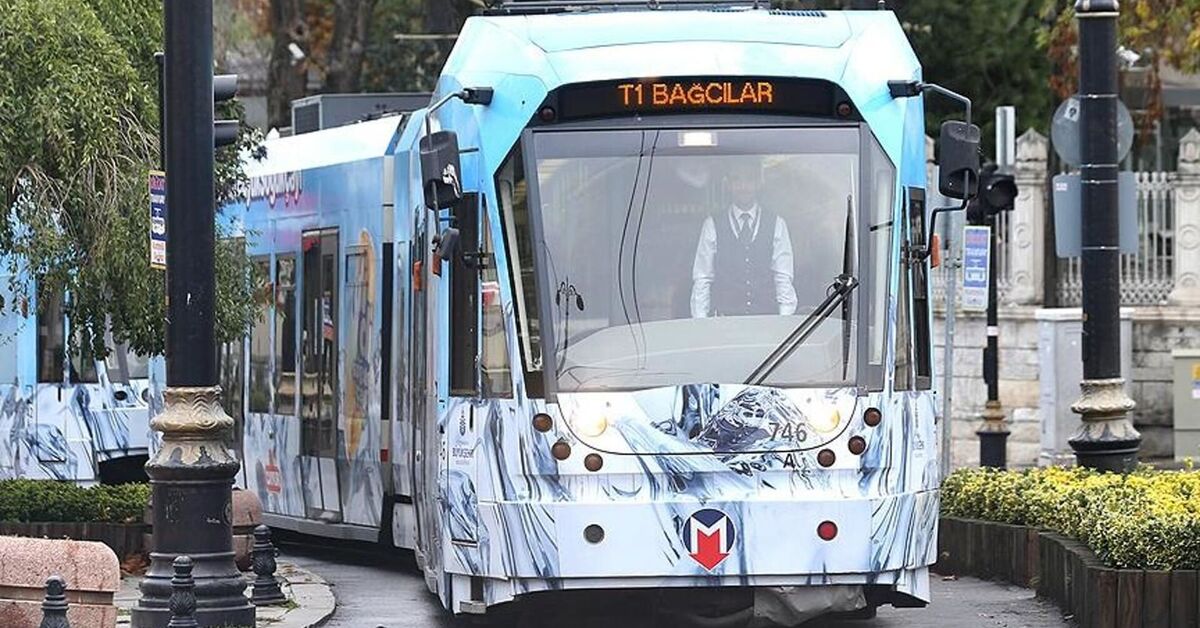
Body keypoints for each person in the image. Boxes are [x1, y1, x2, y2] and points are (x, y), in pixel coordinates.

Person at [690, 158, 798, 318]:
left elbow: (783, 276)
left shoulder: (777, 224)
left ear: (758, 183)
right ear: (728, 184)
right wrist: (700, 322)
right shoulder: (712, 224)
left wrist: (784, 320)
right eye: (737, 179)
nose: (743, 186)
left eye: (749, 179)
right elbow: (703, 278)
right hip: (724, 323)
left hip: (766, 322)